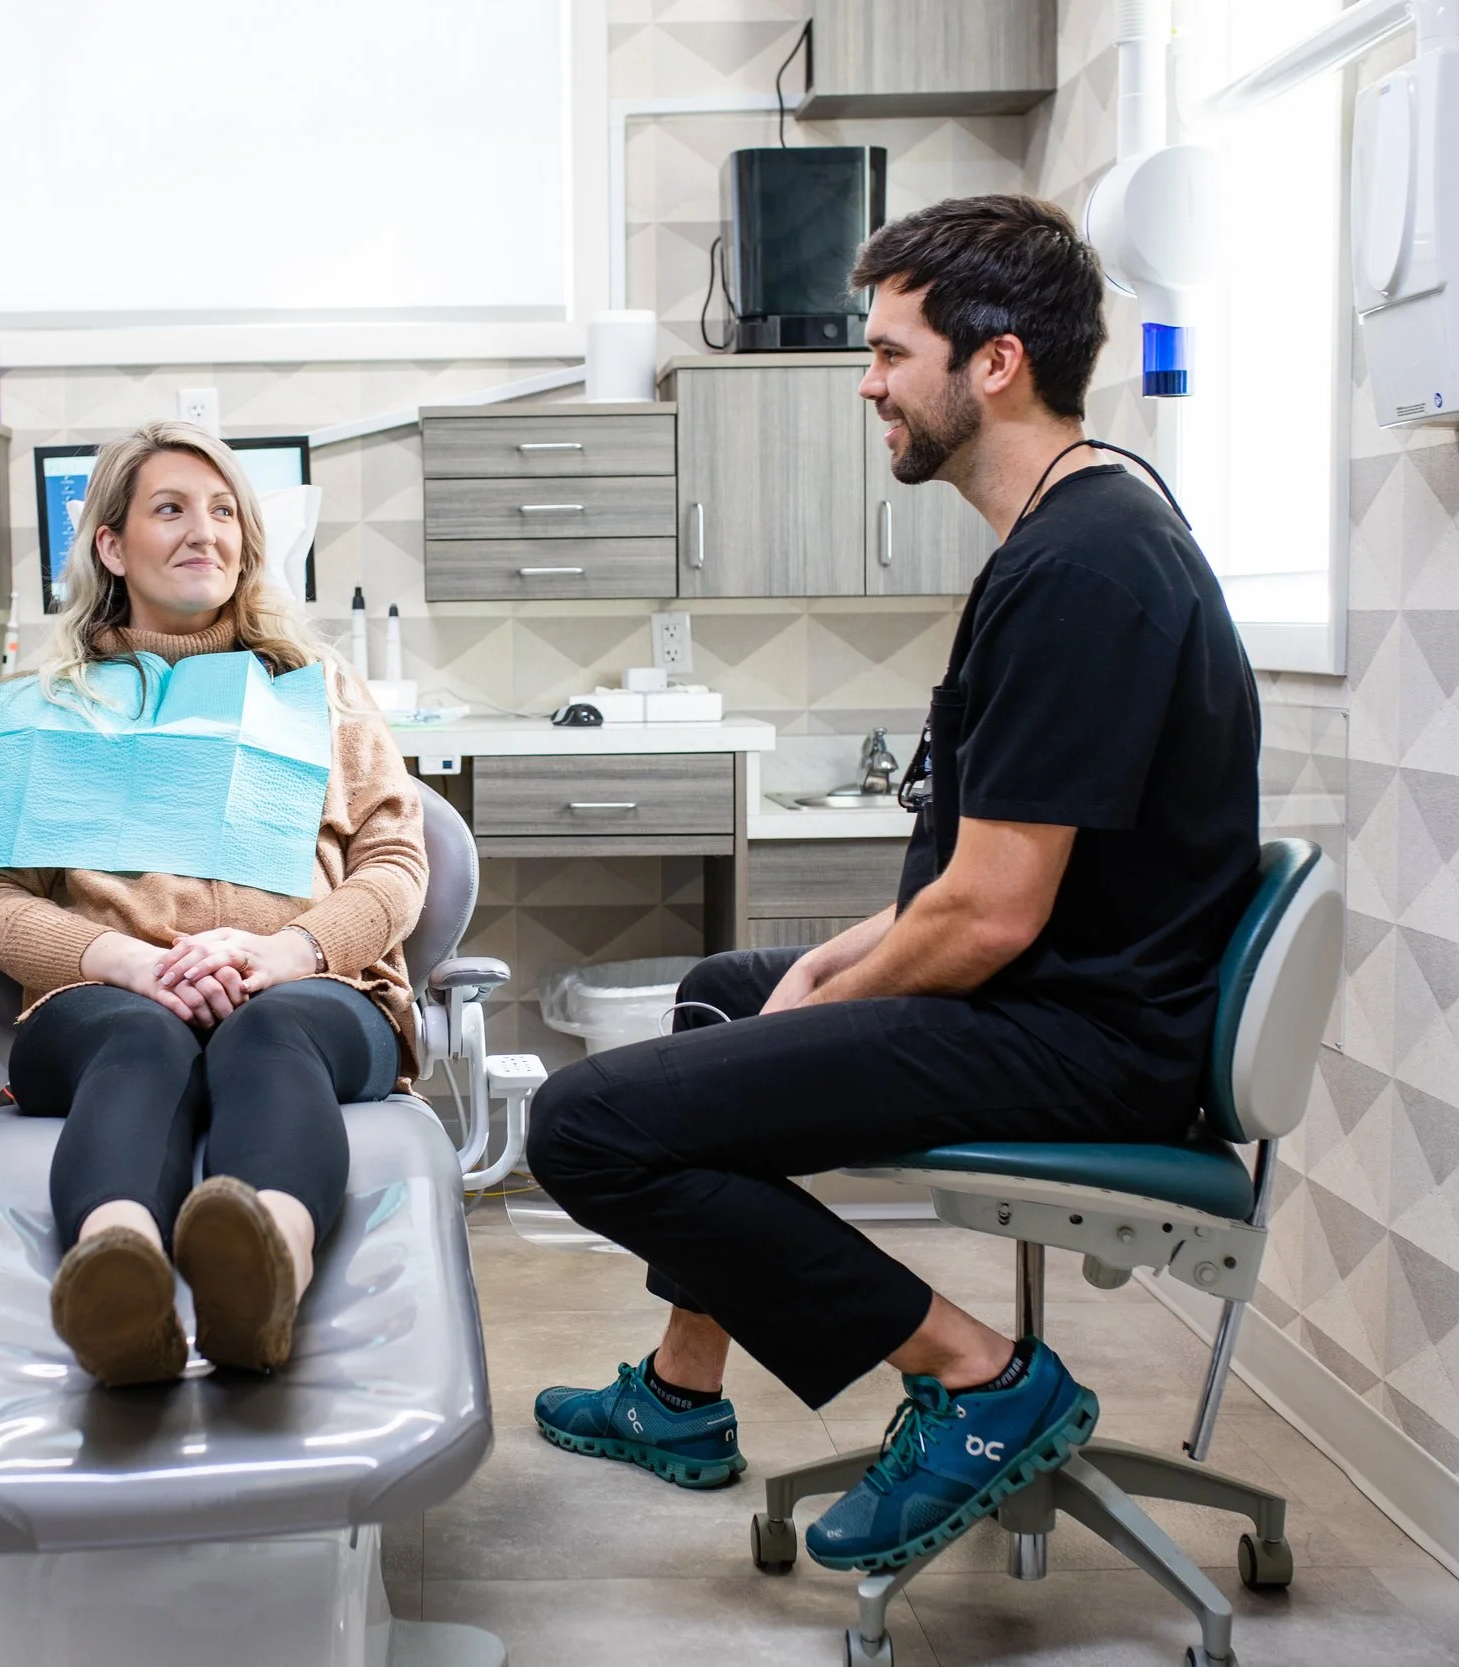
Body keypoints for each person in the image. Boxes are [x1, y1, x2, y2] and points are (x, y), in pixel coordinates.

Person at [525, 195, 1262, 1574]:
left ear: (995, 362)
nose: (867, 382)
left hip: (1089, 1042)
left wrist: (833, 994)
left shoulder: (1084, 571)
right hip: (1068, 998)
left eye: (888, 351)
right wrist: (814, 972)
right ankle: (686, 1391)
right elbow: (971, 866)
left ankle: (982, 1378)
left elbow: (990, 914)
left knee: (584, 1126)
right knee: (720, 987)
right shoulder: (1071, 527)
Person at [0, 421, 425, 1387]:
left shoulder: (320, 688)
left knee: (271, 1030)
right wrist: (125, 962)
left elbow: (394, 866)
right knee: (139, 1038)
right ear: (109, 544)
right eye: (168, 509)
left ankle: (268, 1277)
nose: (201, 532)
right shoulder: (48, 702)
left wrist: (290, 951)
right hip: (110, 1000)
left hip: (311, 991)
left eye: (224, 513)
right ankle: (117, 1278)